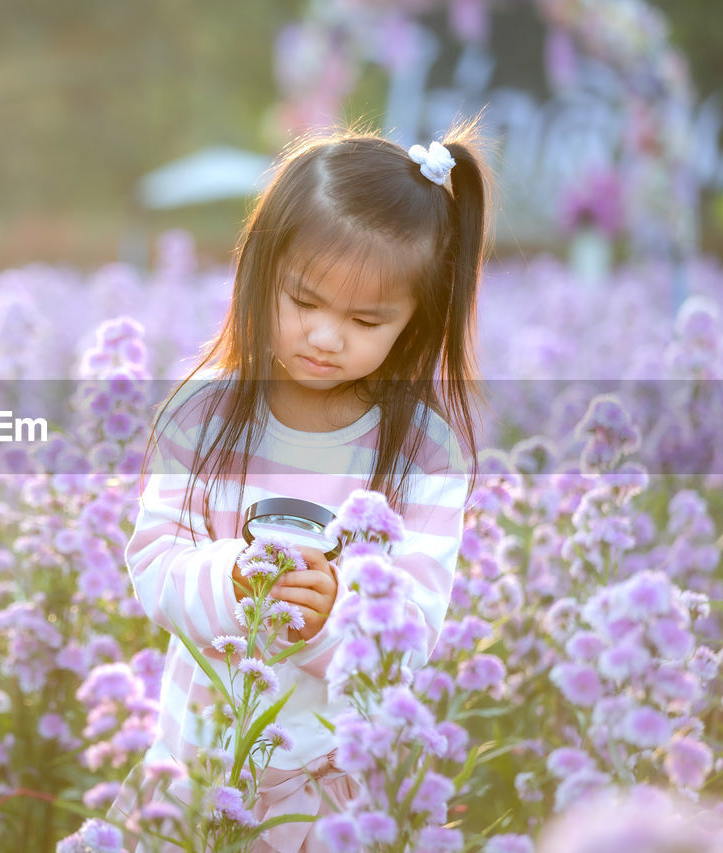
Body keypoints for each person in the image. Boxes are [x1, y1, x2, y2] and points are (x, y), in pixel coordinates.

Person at [110, 122, 490, 852]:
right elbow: (154, 564)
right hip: (203, 763)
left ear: (415, 320)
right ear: (262, 270)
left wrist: (337, 612)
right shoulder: (201, 413)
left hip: (334, 787)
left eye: (365, 319)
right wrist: (236, 583)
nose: (325, 336)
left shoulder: (425, 450)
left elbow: (415, 624)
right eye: (305, 302)